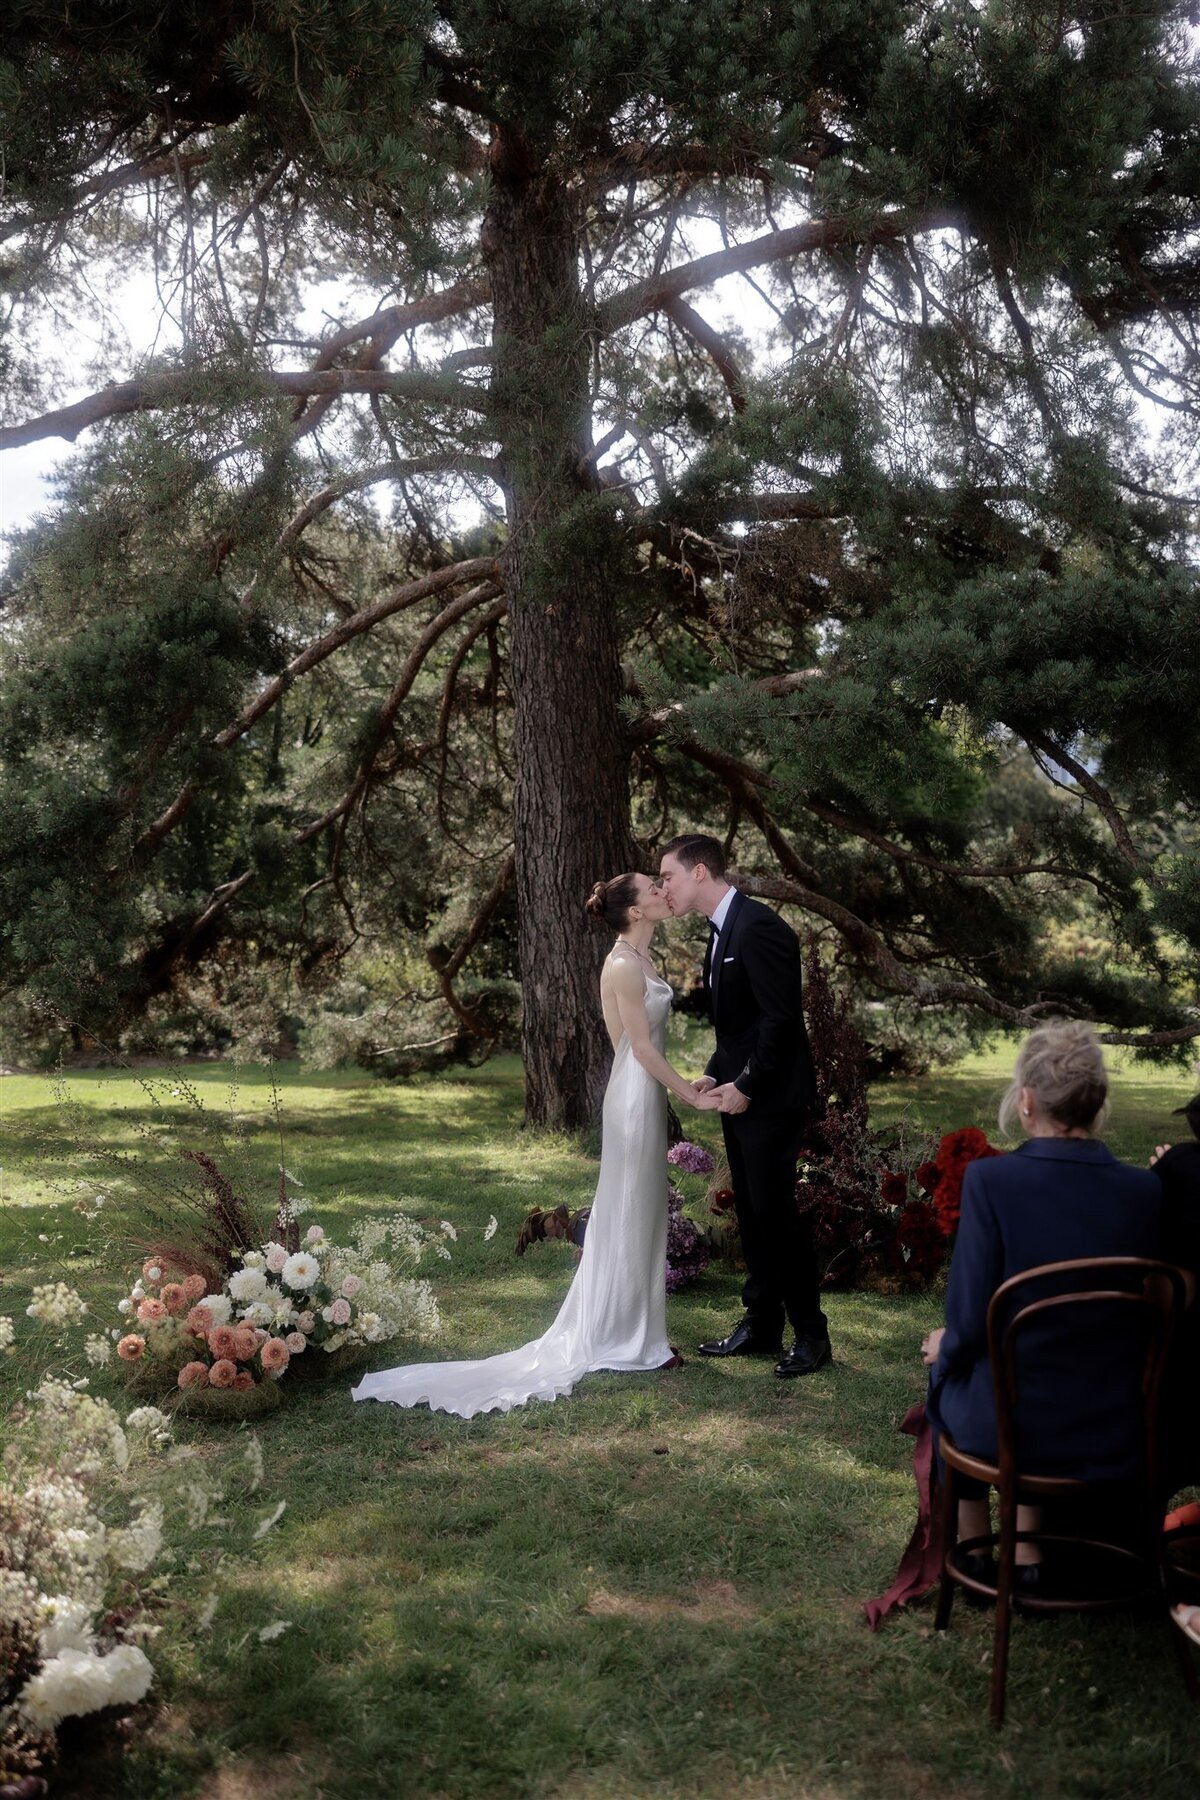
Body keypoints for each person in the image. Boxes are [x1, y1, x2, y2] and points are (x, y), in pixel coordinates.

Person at [352, 872, 719, 1418]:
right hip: (633, 1098)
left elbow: (641, 1045)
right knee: (628, 1210)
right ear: (636, 911)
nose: (664, 890)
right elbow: (636, 1049)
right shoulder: (620, 963)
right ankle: (624, 1338)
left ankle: (639, 1335)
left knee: (642, 1213)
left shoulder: (642, 960)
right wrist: (686, 1092)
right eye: (652, 887)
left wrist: (685, 1082)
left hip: (642, 1093)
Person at [922, 1021, 1161, 1590]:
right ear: (1097, 1102)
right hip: (1117, 1424)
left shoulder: (991, 1182)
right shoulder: (1145, 1190)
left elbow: (971, 1320)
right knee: (1006, 1366)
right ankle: (1027, 1555)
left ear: (1026, 1100)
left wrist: (945, 1347)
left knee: (952, 1369)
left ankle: (978, 1556)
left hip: (1013, 1425)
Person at [657, 834, 830, 1378]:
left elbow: (781, 1022)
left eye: (668, 877)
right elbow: (741, 1028)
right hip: (740, 1097)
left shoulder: (759, 927)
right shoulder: (719, 931)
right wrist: (715, 1072)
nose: (664, 887)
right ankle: (761, 1325)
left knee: (776, 1214)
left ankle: (811, 1336)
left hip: (772, 1098)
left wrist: (748, 1084)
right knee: (752, 1213)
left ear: (700, 871)